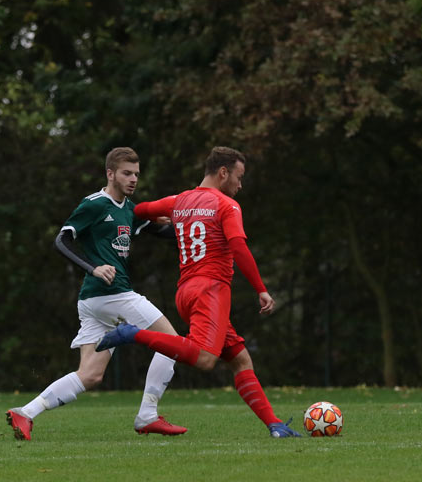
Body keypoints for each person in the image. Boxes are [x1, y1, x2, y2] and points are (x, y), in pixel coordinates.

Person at [96, 146, 301, 438]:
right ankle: (132, 334)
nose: (240, 185)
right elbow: (239, 247)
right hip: (211, 291)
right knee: (205, 359)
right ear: (223, 173)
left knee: (240, 359)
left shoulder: (180, 201)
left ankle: (275, 425)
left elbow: (138, 211)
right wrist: (261, 289)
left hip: (186, 292)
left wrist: (144, 219)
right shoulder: (227, 205)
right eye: (239, 177)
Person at [6, 147, 186, 440]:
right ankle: (147, 415)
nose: (133, 179)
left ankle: (25, 413)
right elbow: (62, 240)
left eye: (136, 174)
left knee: (90, 375)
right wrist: (93, 268)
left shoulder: (129, 209)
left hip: (94, 301)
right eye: (127, 173)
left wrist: (193, 228)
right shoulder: (94, 204)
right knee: (173, 343)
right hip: (113, 294)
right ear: (110, 173)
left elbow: (160, 232)